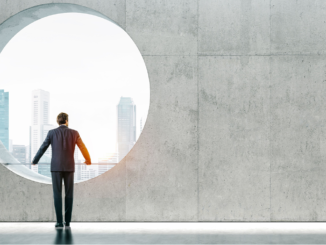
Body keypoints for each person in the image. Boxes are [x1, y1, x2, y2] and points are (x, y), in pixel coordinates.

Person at [32, 112, 91, 229]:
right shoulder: (74, 133)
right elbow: (82, 147)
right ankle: (67, 222)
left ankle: (59, 222)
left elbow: (43, 147)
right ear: (67, 121)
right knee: (69, 194)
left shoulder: (52, 133)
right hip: (69, 167)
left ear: (57, 121)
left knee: (57, 194)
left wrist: (35, 160)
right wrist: (88, 160)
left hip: (56, 168)